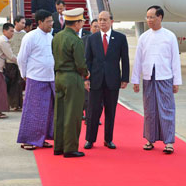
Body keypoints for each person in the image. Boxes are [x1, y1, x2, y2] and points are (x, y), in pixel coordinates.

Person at [131, 5, 182, 154]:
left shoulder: (169, 36)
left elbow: (175, 60)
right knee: (149, 110)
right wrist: (135, 80)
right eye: (147, 17)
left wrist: (176, 81)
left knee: (166, 109)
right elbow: (138, 59)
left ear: (160, 17)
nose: (149, 20)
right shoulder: (144, 37)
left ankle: (169, 142)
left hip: (165, 77)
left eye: (152, 17)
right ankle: (149, 139)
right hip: (148, 77)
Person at [84, 11, 130, 150]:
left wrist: (125, 78)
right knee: (92, 112)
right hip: (95, 80)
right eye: (99, 20)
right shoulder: (92, 38)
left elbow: (125, 60)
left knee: (111, 111)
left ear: (111, 21)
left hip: (113, 80)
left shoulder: (120, 38)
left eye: (104, 20)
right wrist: (86, 78)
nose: (102, 22)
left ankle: (108, 139)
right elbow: (88, 60)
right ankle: (90, 140)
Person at [52, 8, 89, 158]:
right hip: (72, 78)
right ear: (77, 23)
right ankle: (70, 148)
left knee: (59, 113)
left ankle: (58, 146)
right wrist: (86, 73)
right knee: (73, 114)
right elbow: (80, 63)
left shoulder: (57, 37)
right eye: (82, 22)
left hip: (59, 76)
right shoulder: (75, 40)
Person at [17, 9, 55, 150]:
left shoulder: (51, 37)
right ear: (40, 22)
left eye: (51, 21)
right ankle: (28, 139)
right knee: (33, 111)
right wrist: (24, 74)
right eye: (48, 21)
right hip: (35, 78)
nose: (51, 24)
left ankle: (42, 138)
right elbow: (22, 58)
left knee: (47, 111)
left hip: (50, 78)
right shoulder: (30, 37)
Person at [5, 15, 26, 112]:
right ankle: (11, 104)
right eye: (22, 22)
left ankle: (18, 105)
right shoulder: (10, 33)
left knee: (19, 84)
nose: (24, 25)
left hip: (20, 63)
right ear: (16, 23)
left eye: (24, 23)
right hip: (10, 62)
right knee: (11, 84)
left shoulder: (24, 34)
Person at [82, 19, 100, 123]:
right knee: (87, 98)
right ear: (90, 27)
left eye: (98, 26)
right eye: (95, 26)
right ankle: (88, 118)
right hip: (87, 72)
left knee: (98, 99)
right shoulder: (84, 39)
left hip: (98, 73)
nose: (97, 28)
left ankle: (95, 118)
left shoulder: (103, 40)